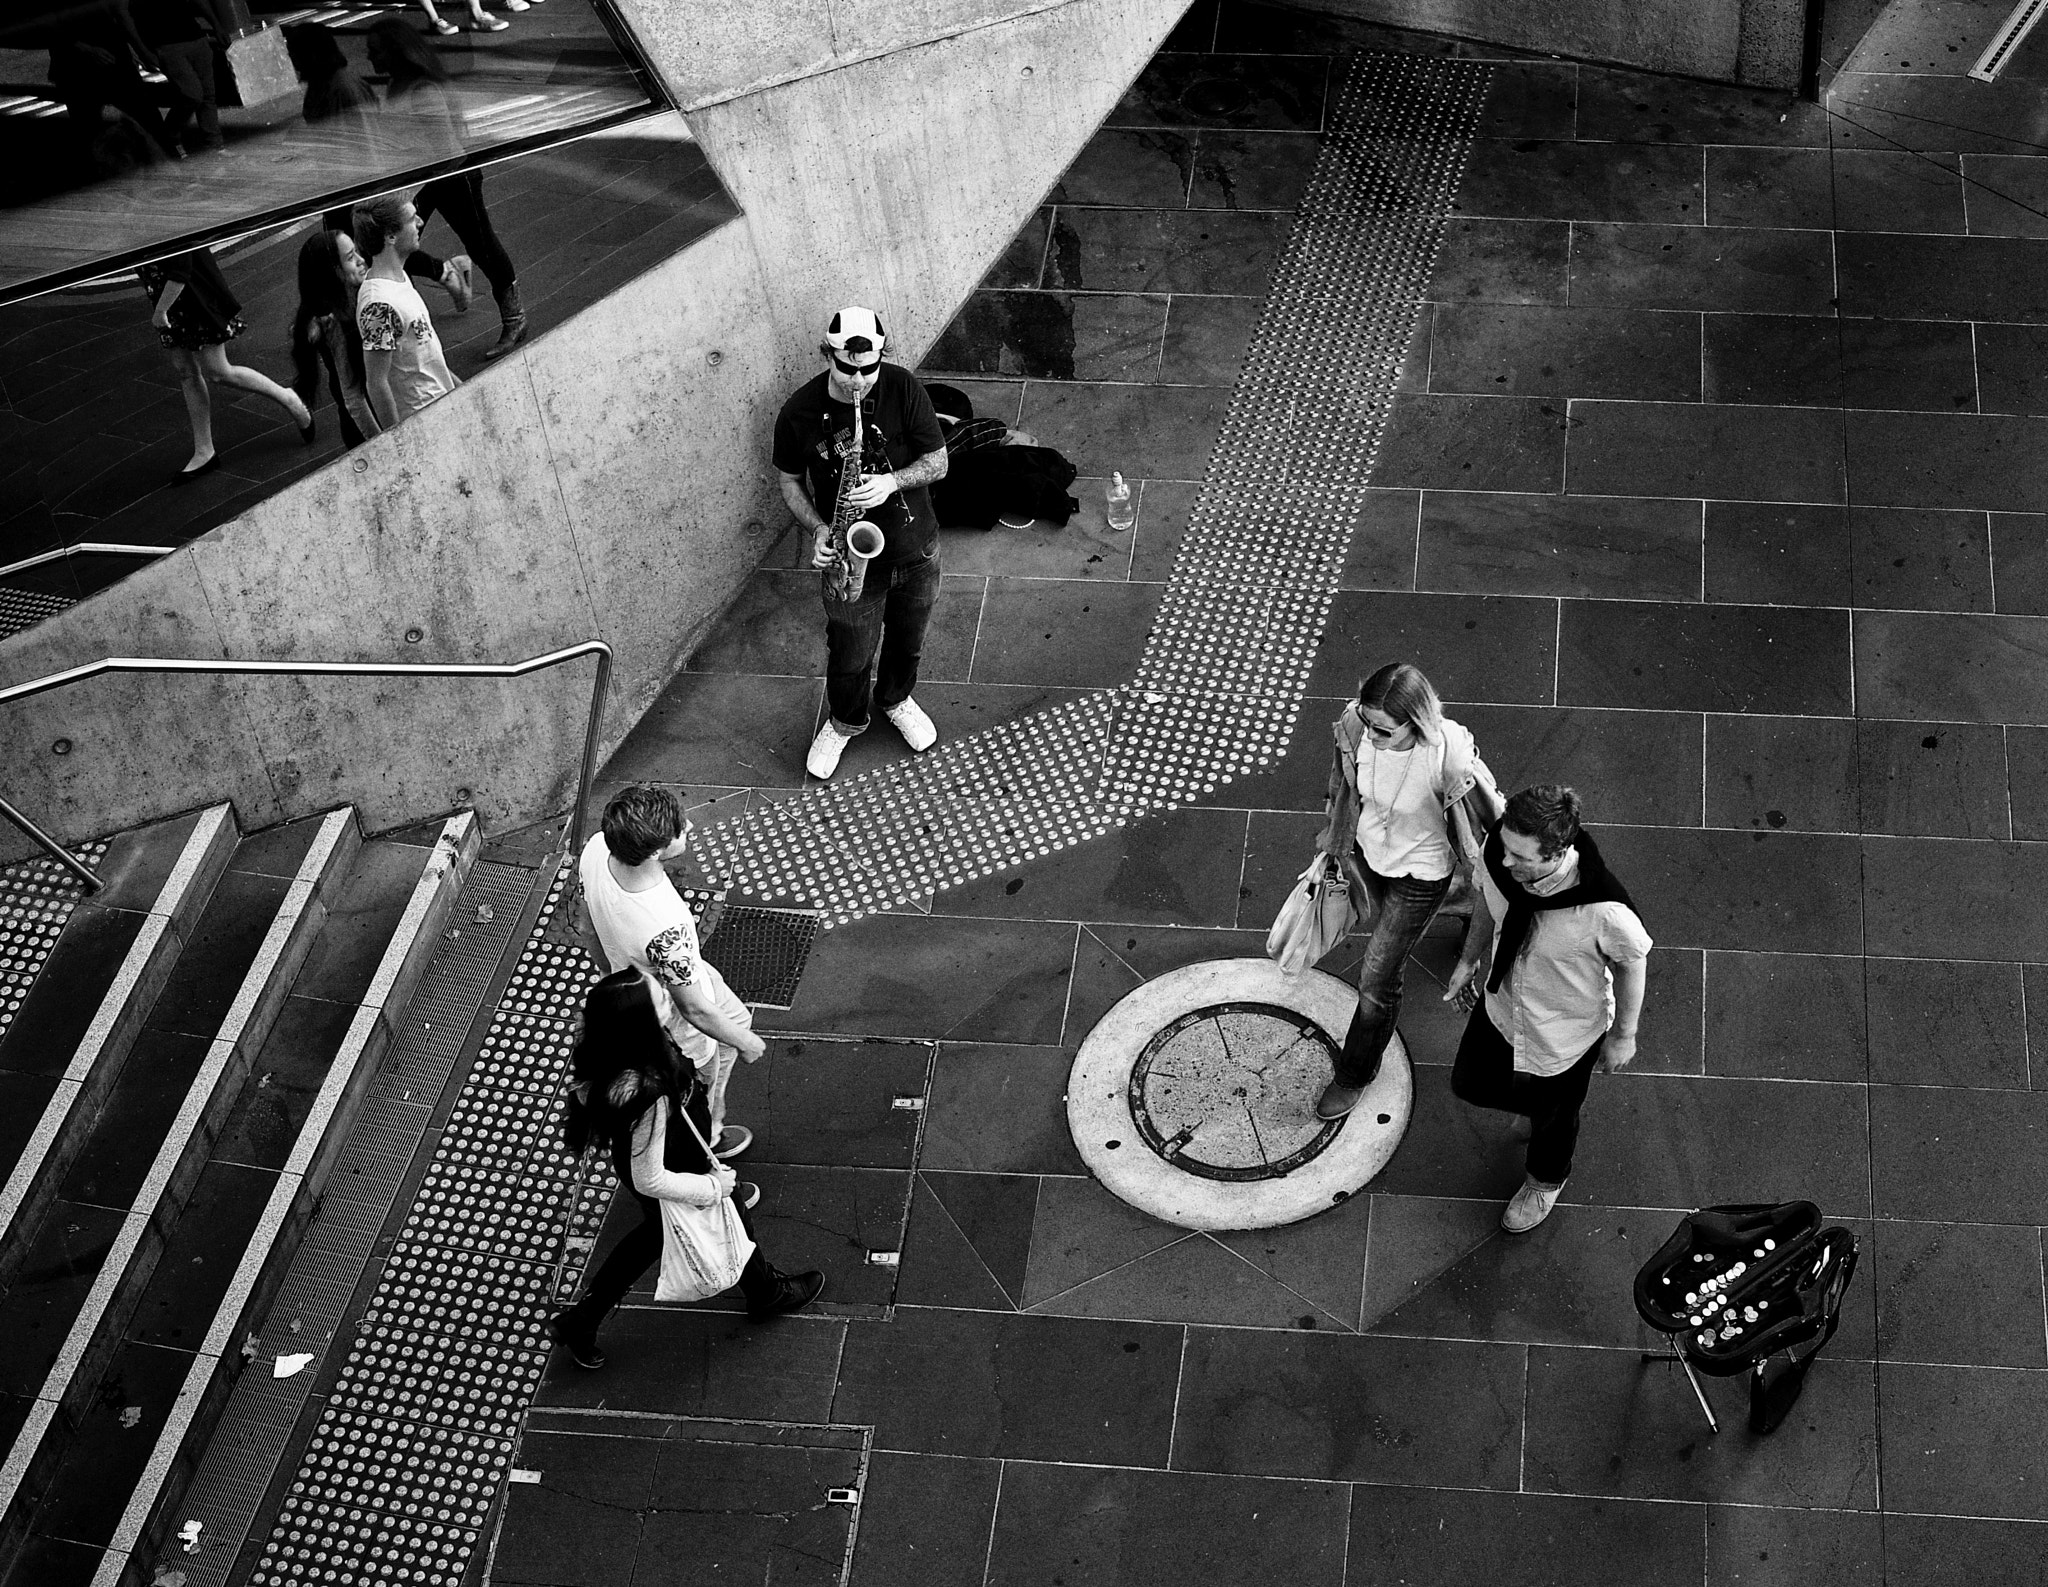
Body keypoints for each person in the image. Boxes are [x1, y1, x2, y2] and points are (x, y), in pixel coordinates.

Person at [549, 971, 824, 1370]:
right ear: (642, 1022)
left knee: (655, 1233)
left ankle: (581, 1322)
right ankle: (766, 1294)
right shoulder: (647, 1092)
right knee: (727, 1209)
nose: (666, 991)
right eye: (658, 994)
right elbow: (651, 1177)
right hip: (677, 1166)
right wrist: (712, 1187)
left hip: (652, 1155)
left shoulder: (611, 1044)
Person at [1443, 785, 1652, 1233]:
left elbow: (1633, 962)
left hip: (1565, 1032)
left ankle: (1544, 1181)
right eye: (1505, 849)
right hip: (1502, 1005)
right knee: (1470, 1083)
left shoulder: (1604, 911)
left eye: (1521, 857)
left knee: (1556, 1120)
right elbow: (1486, 895)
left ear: (1557, 851)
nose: (1505, 862)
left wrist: (1624, 1036)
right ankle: (1537, 1109)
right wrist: (1468, 959)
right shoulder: (1499, 847)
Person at [1311, 661, 1502, 1121]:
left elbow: (1491, 819)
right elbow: (1341, 784)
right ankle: (1462, 904)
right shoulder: (1356, 726)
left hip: (1421, 872)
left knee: (1376, 977)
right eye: (1369, 724)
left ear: (1414, 721)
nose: (1373, 736)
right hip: (1367, 853)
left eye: (1384, 731)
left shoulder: (1447, 754)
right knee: (1387, 926)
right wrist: (1334, 837)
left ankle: (1354, 1073)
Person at [773, 307, 950, 779]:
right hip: (848, 560)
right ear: (827, 356)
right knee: (850, 651)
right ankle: (845, 720)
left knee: (909, 639)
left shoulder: (902, 387)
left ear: (880, 355)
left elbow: (939, 462)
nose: (857, 381)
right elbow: (789, 482)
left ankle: (896, 698)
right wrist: (818, 529)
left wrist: (892, 482)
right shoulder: (800, 411)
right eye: (845, 368)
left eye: (867, 368)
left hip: (916, 548)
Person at [577, 786, 757, 1161]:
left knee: (735, 1015)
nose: (689, 826)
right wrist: (747, 1043)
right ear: (656, 851)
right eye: (681, 829)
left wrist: (616, 971)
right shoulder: (665, 928)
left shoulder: (597, 848)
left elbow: (585, 926)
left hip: (670, 975)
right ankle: (707, 1140)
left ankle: (711, 1126)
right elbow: (696, 1011)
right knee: (707, 1076)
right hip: (681, 1024)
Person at [285, 23, 473, 315]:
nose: (292, 62)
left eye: (295, 54)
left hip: (360, 189)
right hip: (341, 188)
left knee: (377, 255)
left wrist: (372, 197)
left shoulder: (344, 87)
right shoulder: (322, 86)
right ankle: (439, 277)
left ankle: (417, 300)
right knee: (371, 255)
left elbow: (369, 142)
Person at [367, 18, 526, 358]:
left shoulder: (424, 89)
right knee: (389, 247)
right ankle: (448, 271)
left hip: (454, 177)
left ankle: (515, 318)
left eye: (375, 51)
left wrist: (406, 191)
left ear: (396, 51)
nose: (369, 58)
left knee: (483, 246)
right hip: (424, 181)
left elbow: (440, 152)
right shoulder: (397, 85)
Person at [143, 248, 314, 483]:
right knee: (186, 372)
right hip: (170, 297)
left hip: (194, 298)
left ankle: (289, 398)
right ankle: (204, 450)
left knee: (218, 371)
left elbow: (181, 267)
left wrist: (161, 310)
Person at [353, 193, 460, 427]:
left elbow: (424, 352)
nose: (420, 223)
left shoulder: (399, 277)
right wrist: (397, 440)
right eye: (412, 219)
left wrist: (458, 390)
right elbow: (377, 383)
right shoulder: (378, 305)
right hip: (423, 420)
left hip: (443, 407)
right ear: (391, 235)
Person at [290, 229, 381, 449]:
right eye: (350, 258)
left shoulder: (353, 296)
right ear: (332, 272)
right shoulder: (336, 322)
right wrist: (383, 443)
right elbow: (354, 399)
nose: (361, 260)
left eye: (356, 252)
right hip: (369, 426)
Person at [130, 0, 227, 156]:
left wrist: (217, 26)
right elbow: (128, 21)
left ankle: (215, 145)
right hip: (167, 46)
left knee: (207, 95)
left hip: (195, 37)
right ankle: (170, 134)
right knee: (192, 95)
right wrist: (143, 52)